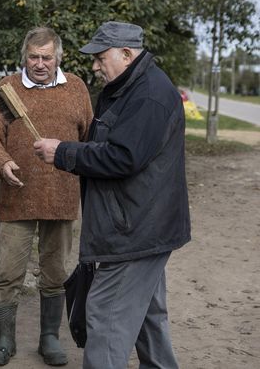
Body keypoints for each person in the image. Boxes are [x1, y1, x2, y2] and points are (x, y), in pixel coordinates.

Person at [33, 21, 191, 369]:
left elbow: (123, 157)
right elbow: (105, 145)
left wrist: (64, 153)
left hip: (134, 231)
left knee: (104, 320)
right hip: (139, 225)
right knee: (149, 320)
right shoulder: (125, 87)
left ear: (126, 53)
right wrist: (68, 150)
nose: (94, 65)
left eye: (100, 57)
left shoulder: (149, 94)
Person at [0, 27, 92, 366]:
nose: (40, 63)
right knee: (8, 272)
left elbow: (89, 138)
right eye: (33, 56)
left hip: (61, 196)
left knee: (54, 271)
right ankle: (5, 339)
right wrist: (3, 163)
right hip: (17, 198)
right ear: (24, 57)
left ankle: (49, 339)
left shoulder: (75, 88)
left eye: (46, 57)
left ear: (58, 57)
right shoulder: (8, 90)